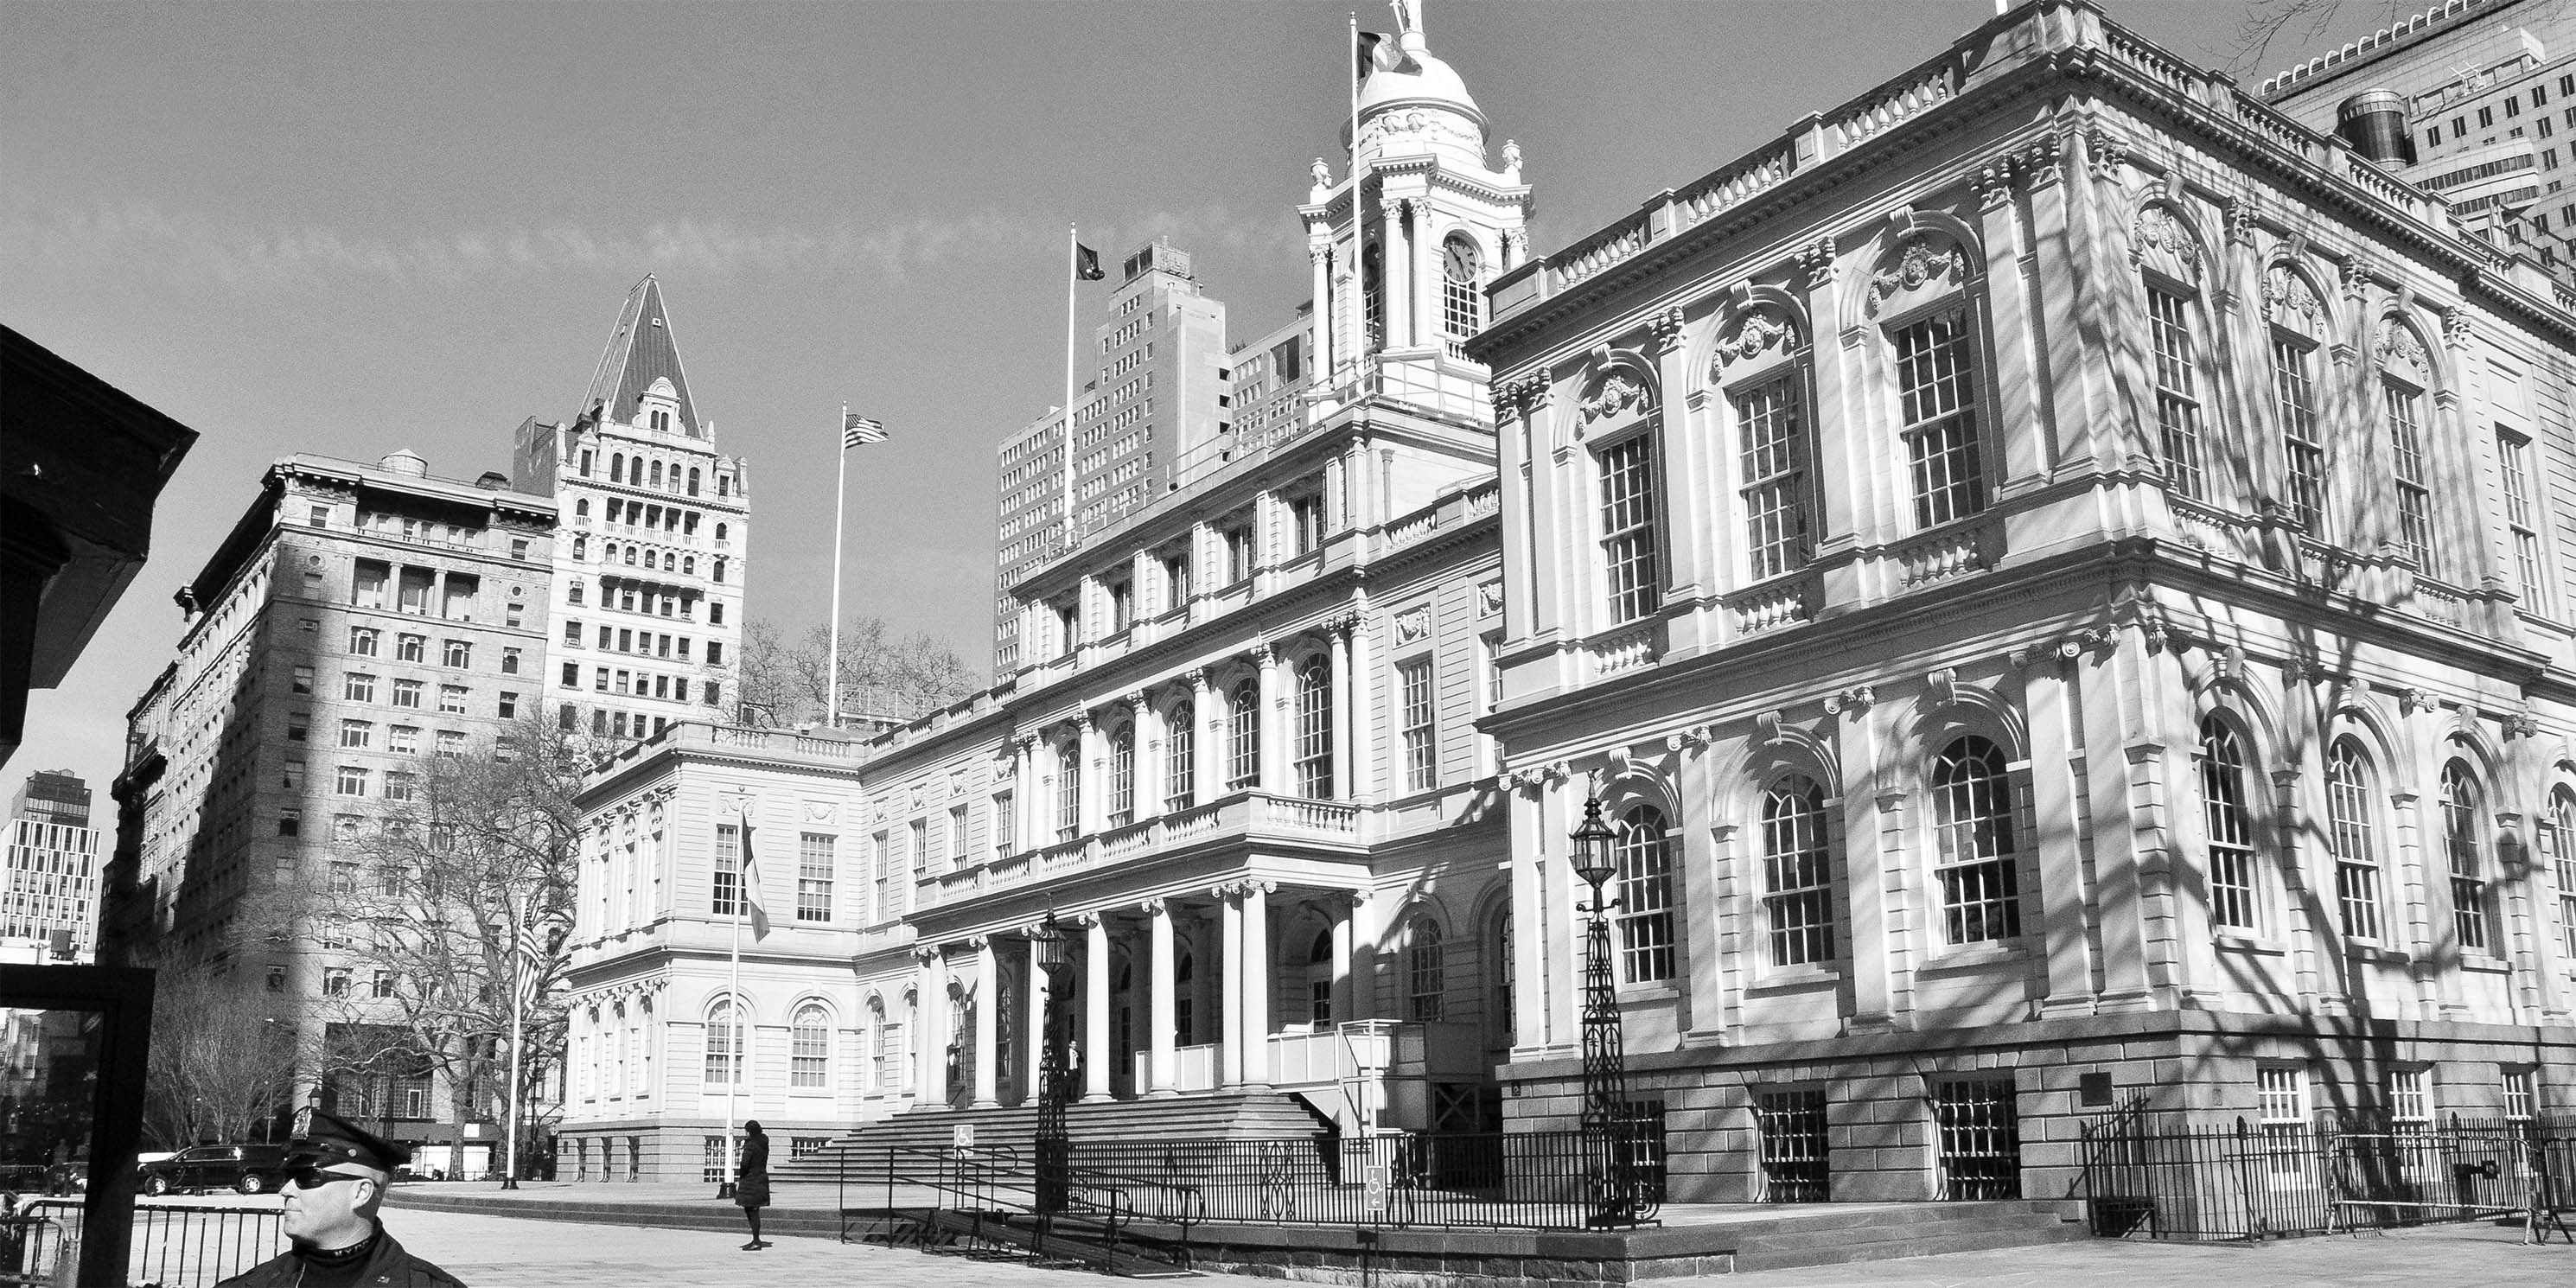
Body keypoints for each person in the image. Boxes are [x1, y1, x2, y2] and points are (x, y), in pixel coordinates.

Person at [216, 1111, 464, 1287]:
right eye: (288, 1175)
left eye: (308, 1175)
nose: (286, 1190)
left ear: (361, 1193)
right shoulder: (255, 1282)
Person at [734, 1120, 771, 1251]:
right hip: (761, 1178)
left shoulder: (751, 1144)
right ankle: (756, 1239)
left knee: (751, 1211)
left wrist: (741, 1174)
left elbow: (745, 1163)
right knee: (754, 1210)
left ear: (749, 1131)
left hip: (751, 1180)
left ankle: (756, 1241)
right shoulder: (764, 1143)